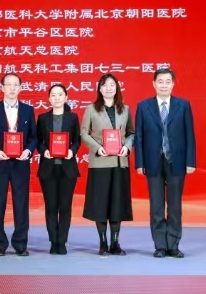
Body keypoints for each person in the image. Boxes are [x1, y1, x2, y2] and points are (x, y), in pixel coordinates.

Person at [135, 68, 196, 258]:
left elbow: (190, 135)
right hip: (152, 161)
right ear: (153, 84)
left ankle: (173, 245)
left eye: (167, 81)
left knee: (175, 206)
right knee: (156, 206)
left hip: (176, 161)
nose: (164, 85)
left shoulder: (183, 105)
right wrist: (139, 163)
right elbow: (139, 137)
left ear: (173, 84)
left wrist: (190, 161)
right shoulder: (143, 106)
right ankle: (160, 245)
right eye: (160, 81)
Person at [80, 74, 135, 256]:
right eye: (104, 85)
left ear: (117, 88)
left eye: (112, 85)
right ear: (99, 89)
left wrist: (127, 147)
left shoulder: (125, 109)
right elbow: (83, 133)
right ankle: (103, 243)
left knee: (117, 203)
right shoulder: (91, 109)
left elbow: (131, 133)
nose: (109, 88)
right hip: (100, 162)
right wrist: (97, 148)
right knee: (100, 204)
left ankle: (115, 243)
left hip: (119, 162)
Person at [0, 73, 37, 256]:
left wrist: (28, 151)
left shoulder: (28, 110)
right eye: (9, 85)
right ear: (2, 88)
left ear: (20, 88)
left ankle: (20, 244)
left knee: (21, 204)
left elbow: (34, 137)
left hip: (21, 164)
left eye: (16, 85)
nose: (12, 88)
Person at [35, 84, 81, 255]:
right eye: (53, 95)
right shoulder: (43, 118)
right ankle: (53, 241)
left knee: (65, 206)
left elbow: (77, 140)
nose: (56, 98)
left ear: (66, 97)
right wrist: (43, 151)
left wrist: (71, 151)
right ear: (49, 98)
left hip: (67, 169)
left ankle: (62, 241)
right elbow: (38, 140)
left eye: (60, 94)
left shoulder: (73, 117)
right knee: (51, 207)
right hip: (48, 168)